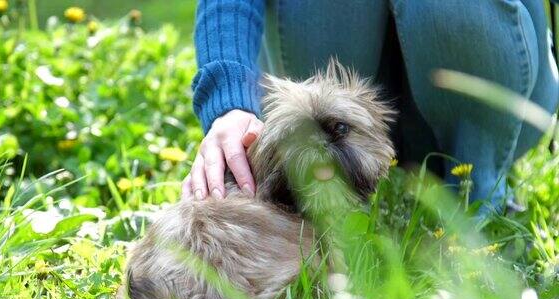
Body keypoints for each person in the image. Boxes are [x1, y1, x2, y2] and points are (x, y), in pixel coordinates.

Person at [182, 0, 559, 216]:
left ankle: (479, 199)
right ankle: (315, 204)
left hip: (502, 74)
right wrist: (228, 103)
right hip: (327, 98)